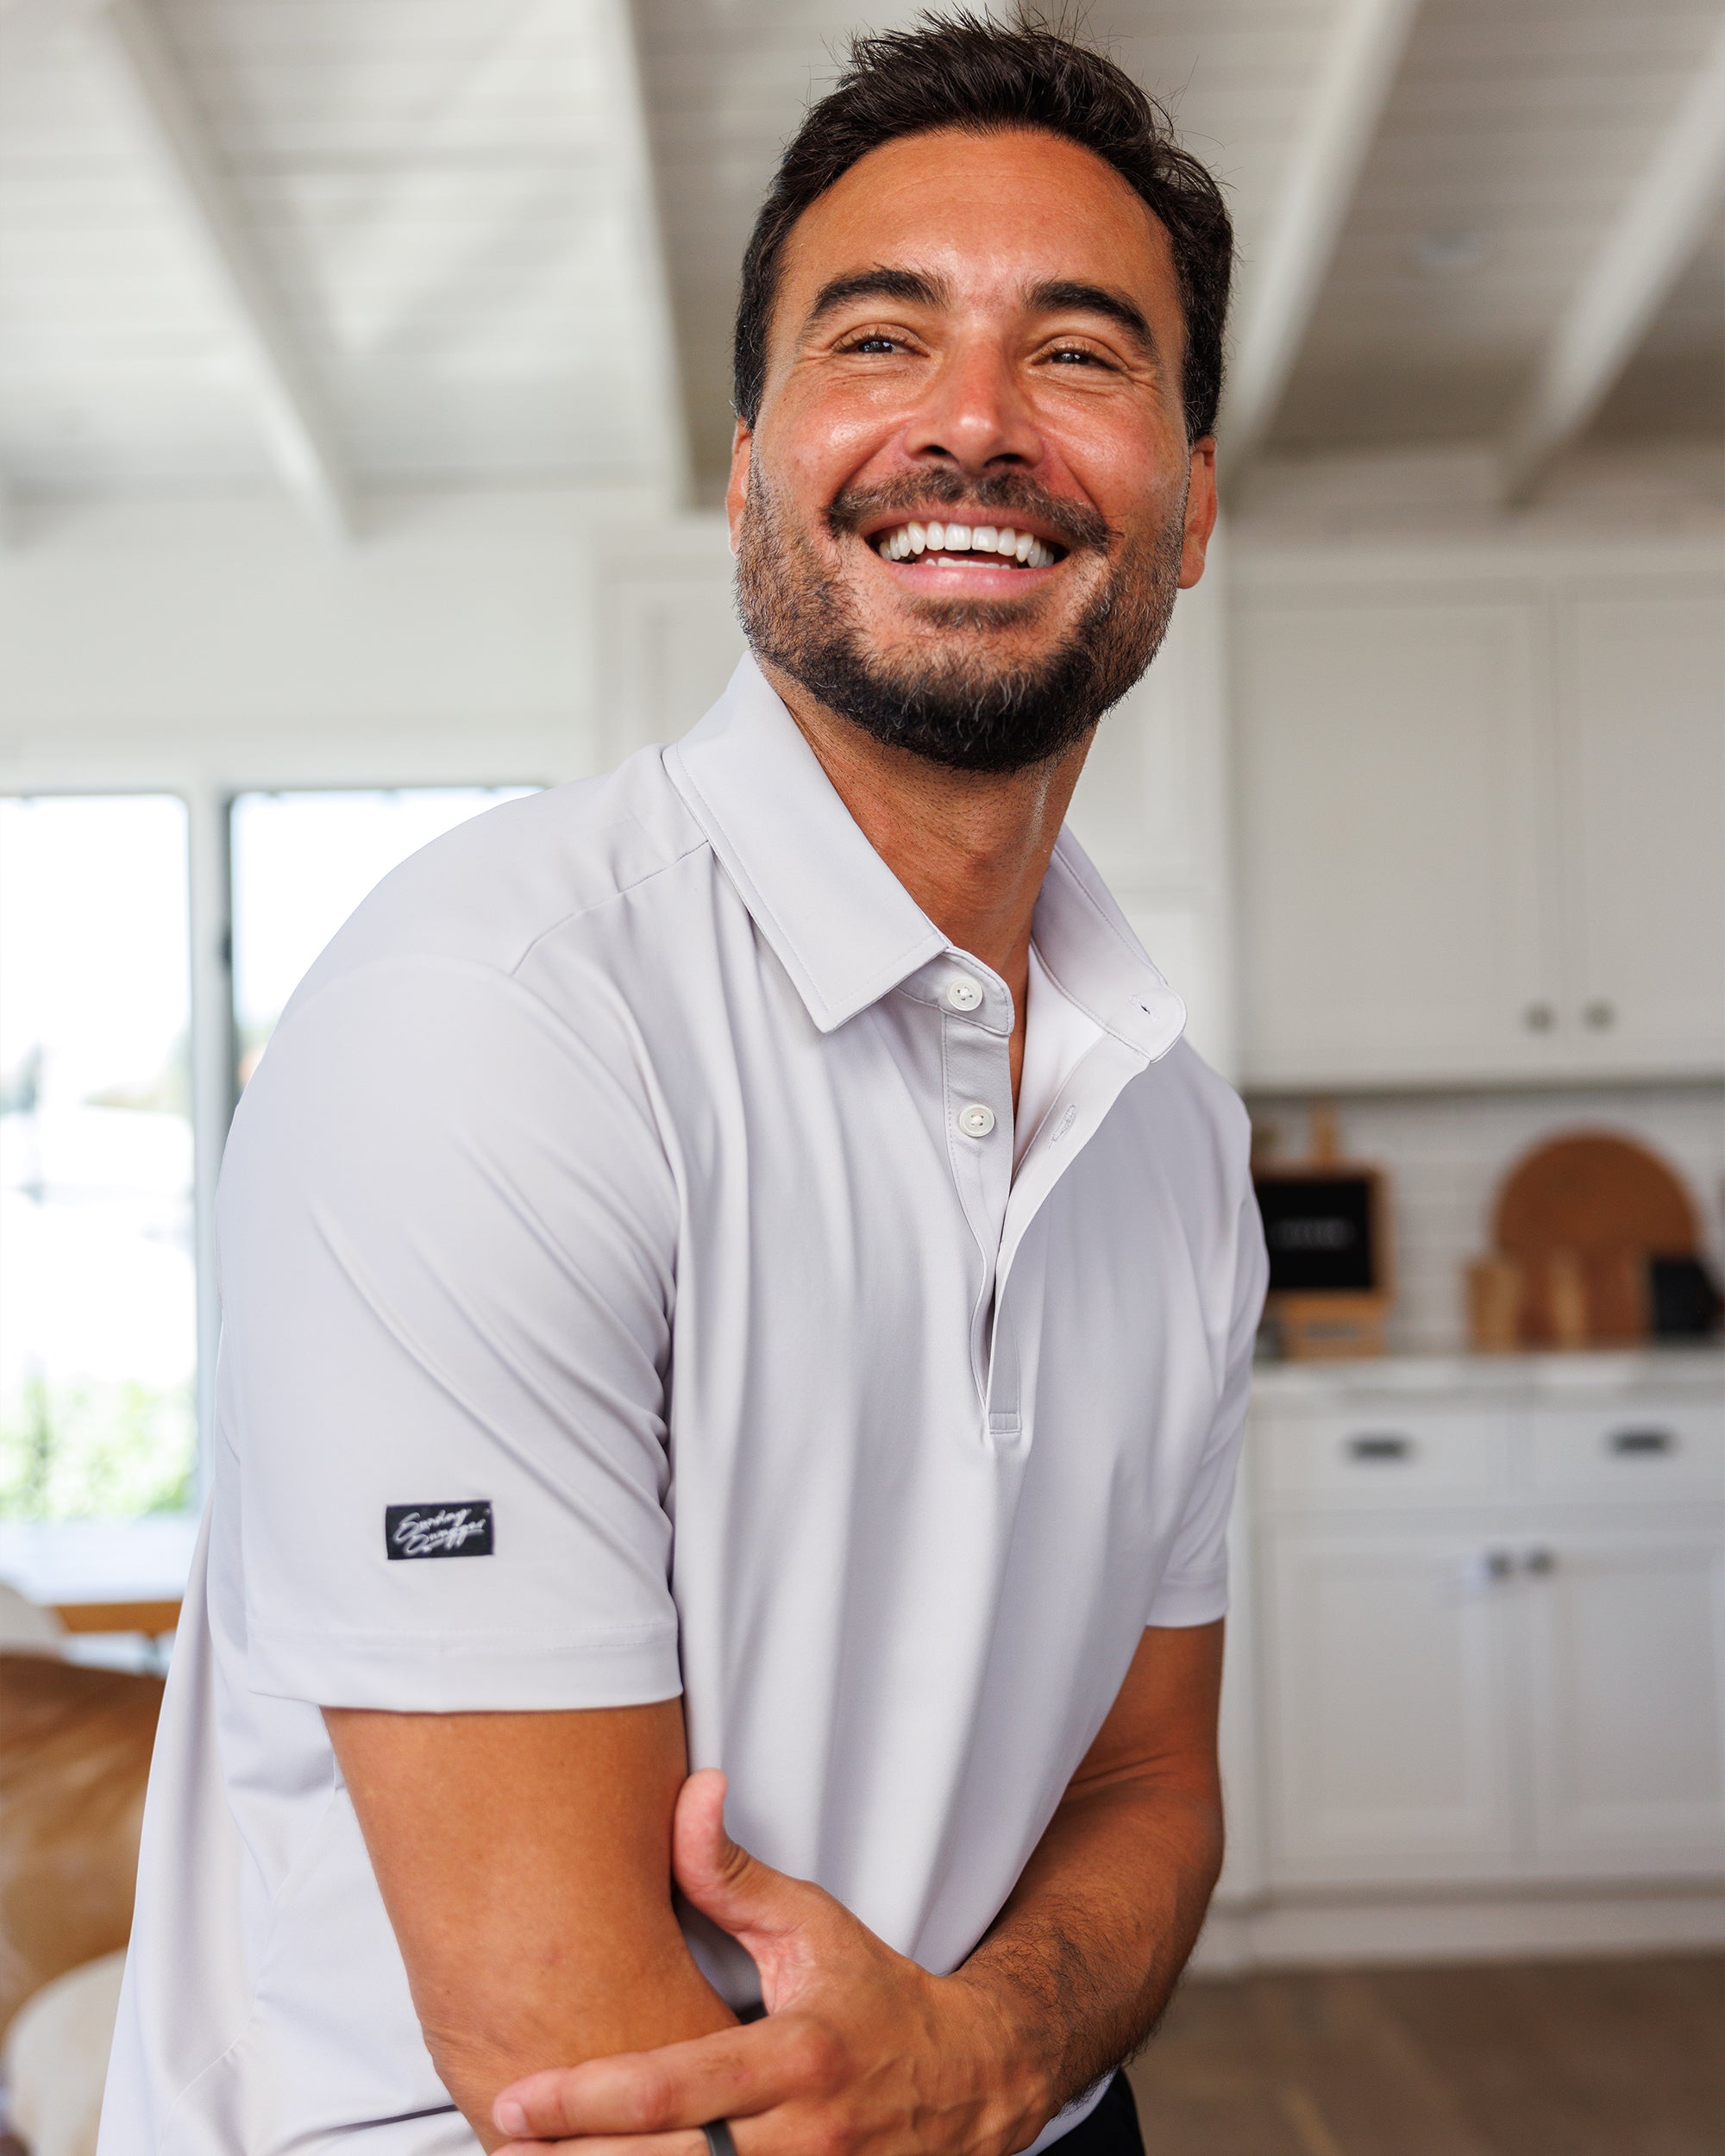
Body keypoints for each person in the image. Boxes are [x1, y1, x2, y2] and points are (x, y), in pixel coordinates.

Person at [100, 16, 1264, 2155]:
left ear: (1187, 508)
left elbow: (1146, 1785)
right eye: (879, 339)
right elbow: (575, 2069)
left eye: (1081, 354)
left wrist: (997, 2054)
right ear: (748, 473)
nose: (974, 421)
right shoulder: (493, 1017)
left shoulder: (1171, 1134)